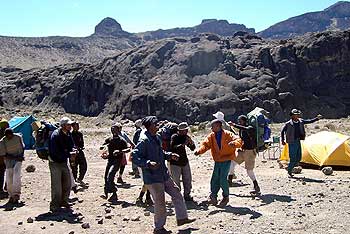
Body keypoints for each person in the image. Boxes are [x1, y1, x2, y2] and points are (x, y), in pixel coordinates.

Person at [132, 116, 195, 234]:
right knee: (160, 202)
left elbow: (160, 153)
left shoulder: (156, 138)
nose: (158, 125)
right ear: (150, 126)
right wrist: (147, 163)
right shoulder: (144, 140)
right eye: (156, 124)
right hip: (153, 177)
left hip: (163, 174)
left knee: (176, 193)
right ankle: (159, 228)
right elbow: (134, 156)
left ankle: (182, 218)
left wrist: (169, 155)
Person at [194, 116, 242, 207]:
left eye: (213, 126)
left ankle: (225, 197)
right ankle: (213, 196)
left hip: (226, 159)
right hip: (218, 160)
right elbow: (205, 144)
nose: (212, 128)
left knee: (223, 178)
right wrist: (199, 151)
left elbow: (238, 140)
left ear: (219, 126)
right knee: (215, 178)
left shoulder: (228, 134)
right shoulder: (212, 136)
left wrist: (234, 144)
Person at [281, 109, 322, 177]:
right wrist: (282, 140)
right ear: (292, 116)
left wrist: (317, 118)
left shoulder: (301, 121)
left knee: (299, 157)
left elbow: (309, 121)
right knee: (293, 157)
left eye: (297, 114)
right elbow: (282, 131)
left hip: (297, 140)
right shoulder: (288, 123)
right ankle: (289, 171)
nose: (297, 116)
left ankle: (290, 167)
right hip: (291, 141)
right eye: (295, 114)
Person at [228, 115, 261, 195]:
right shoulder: (241, 130)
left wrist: (234, 125)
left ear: (244, 121)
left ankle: (256, 186)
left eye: (240, 121)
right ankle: (229, 181)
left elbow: (246, 129)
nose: (239, 122)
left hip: (250, 152)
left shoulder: (250, 128)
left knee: (249, 171)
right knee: (232, 163)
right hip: (242, 151)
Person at [48, 117, 76, 212]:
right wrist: (69, 154)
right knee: (57, 186)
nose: (70, 126)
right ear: (63, 125)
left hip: (63, 162)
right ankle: (54, 205)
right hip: (55, 162)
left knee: (67, 183)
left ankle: (64, 201)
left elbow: (71, 145)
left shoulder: (68, 134)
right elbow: (55, 152)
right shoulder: (55, 135)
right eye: (69, 125)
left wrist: (73, 150)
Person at [103, 123, 129, 202]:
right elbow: (104, 145)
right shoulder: (110, 139)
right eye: (112, 129)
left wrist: (120, 151)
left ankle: (114, 193)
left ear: (118, 130)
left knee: (110, 175)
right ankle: (107, 193)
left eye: (115, 129)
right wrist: (104, 151)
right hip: (110, 160)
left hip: (117, 161)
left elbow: (128, 149)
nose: (113, 131)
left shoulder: (121, 140)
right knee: (106, 177)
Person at [169, 122, 196, 202]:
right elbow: (173, 148)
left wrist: (191, 143)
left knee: (187, 180)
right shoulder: (174, 137)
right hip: (175, 163)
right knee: (176, 181)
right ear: (180, 131)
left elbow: (193, 148)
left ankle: (187, 195)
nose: (186, 132)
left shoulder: (186, 137)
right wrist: (183, 144)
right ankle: (177, 197)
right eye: (185, 130)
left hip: (184, 161)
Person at [0, 128, 24, 204]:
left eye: (11, 135)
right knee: (9, 178)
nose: (9, 137)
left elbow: (22, 147)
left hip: (18, 159)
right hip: (8, 161)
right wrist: (15, 157)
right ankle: (11, 195)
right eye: (8, 136)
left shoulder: (18, 137)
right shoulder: (2, 141)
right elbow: (4, 154)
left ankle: (16, 195)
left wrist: (21, 156)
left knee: (16, 176)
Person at [0, 119, 9, 197]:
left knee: (1, 173)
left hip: (1, 157)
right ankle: (7, 187)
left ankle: (1, 189)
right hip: (8, 157)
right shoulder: (8, 134)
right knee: (9, 172)